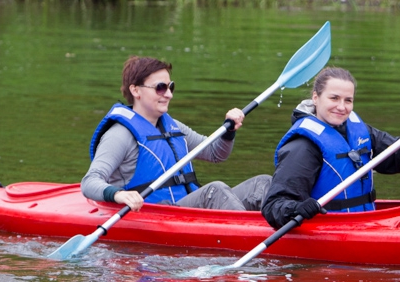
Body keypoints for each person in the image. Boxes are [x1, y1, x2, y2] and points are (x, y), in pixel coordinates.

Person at [81, 56, 271, 212]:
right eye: (160, 88)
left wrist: (228, 131)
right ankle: (254, 238)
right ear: (135, 90)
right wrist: (118, 194)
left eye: (170, 87)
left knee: (262, 184)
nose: (169, 94)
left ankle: (284, 224)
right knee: (216, 190)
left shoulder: (173, 127)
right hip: (156, 214)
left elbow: (215, 153)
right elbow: (90, 182)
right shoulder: (120, 135)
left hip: (186, 209)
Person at [261, 67, 400, 229]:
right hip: (326, 228)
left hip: (365, 222)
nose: (342, 107)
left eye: (348, 100)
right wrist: (295, 209)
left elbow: (398, 160)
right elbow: (274, 205)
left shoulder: (358, 130)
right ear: (315, 98)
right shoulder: (303, 146)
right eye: (334, 98)